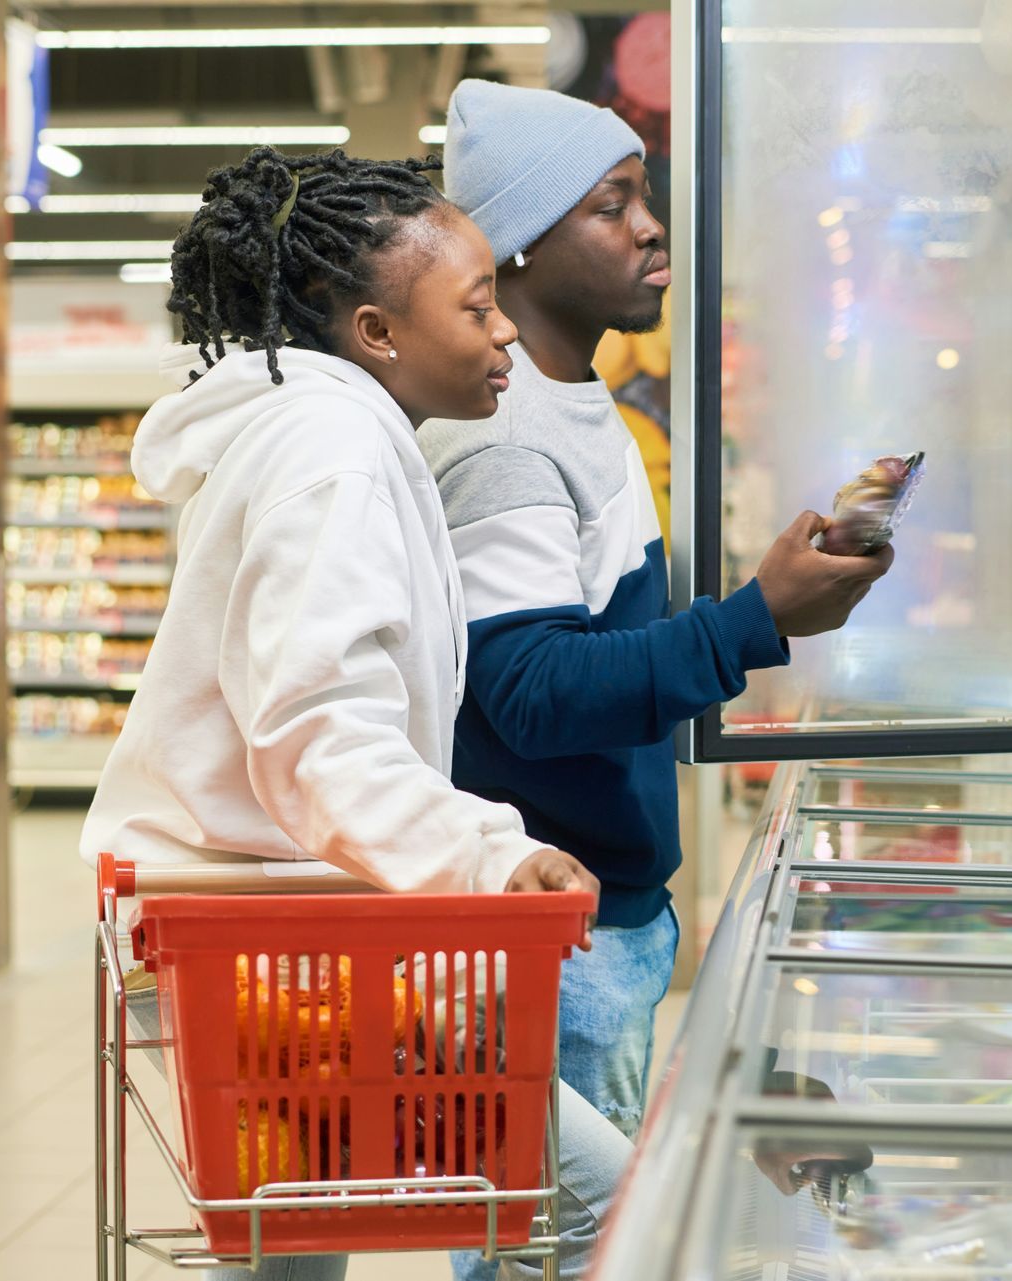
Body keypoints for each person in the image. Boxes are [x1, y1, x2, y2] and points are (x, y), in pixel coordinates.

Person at [78, 145, 627, 1281]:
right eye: (477, 308)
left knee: (292, 1248)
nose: (507, 332)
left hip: (261, 933)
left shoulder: (330, 433)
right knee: (603, 1200)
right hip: (262, 947)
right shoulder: (333, 455)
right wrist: (486, 852)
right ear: (378, 332)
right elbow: (318, 732)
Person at [420, 80, 889, 1156]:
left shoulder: (583, 409)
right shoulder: (504, 439)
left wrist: (766, 608)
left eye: (645, 197)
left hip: (600, 924)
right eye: (611, 204)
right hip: (550, 940)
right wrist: (753, 620)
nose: (650, 226)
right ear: (524, 247)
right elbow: (535, 693)